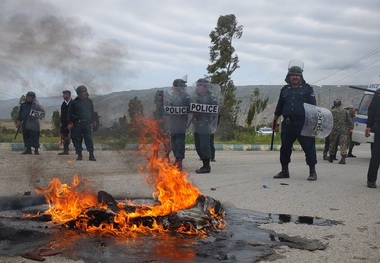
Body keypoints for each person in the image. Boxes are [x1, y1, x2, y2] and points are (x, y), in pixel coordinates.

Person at [272, 61, 318, 181]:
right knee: (285, 148)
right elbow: (279, 106)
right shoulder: (285, 90)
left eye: (297, 75)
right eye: (293, 75)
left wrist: (313, 123)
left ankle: (312, 171)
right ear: (289, 76)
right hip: (287, 124)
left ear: (301, 76)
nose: (295, 77)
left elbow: (313, 107)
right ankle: (284, 171)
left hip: (303, 123)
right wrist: (275, 120)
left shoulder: (308, 89)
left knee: (309, 147)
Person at [191, 78, 219, 174]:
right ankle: (204, 163)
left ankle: (206, 166)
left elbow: (216, 112)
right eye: (197, 85)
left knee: (204, 145)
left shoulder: (211, 98)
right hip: (198, 124)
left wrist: (214, 125)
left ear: (205, 87)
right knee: (198, 146)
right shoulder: (196, 98)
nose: (198, 87)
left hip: (206, 125)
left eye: (200, 85)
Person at [164, 79, 190, 170]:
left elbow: (189, 109)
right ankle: (176, 160)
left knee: (179, 142)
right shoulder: (173, 96)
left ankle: (179, 162)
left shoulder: (186, 97)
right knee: (174, 142)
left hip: (181, 123)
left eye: (176, 86)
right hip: (173, 123)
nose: (174, 88)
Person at [67, 85, 97, 161]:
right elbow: (69, 113)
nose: (86, 93)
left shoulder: (89, 101)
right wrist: (69, 123)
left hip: (87, 123)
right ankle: (79, 154)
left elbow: (92, 112)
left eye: (86, 91)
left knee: (89, 139)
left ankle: (91, 154)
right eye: (84, 91)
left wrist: (93, 120)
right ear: (79, 93)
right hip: (77, 124)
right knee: (77, 139)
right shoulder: (74, 102)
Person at [328, 99, 352, 164]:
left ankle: (331, 157)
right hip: (343, 130)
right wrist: (349, 128)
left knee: (332, 143)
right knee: (343, 144)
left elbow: (328, 121)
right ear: (340, 104)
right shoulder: (345, 112)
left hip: (334, 130)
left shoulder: (331, 112)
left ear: (334, 104)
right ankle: (343, 159)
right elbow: (350, 122)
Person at [365, 88, 380, 188]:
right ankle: (371, 180)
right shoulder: (378, 93)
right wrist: (369, 126)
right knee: (376, 154)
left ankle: (371, 180)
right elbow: (372, 109)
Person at [58, 90, 72, 155]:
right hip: (64, 122)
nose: (63, 96)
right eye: (63, 94)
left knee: (74, 136)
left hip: (72, 122)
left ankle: (78, 150)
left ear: (69, 95)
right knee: (64, 136)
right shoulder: (63, 104)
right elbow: (62, 114)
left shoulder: (73, 103)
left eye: (64, 94)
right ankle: (65, 150)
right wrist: (61, 122)